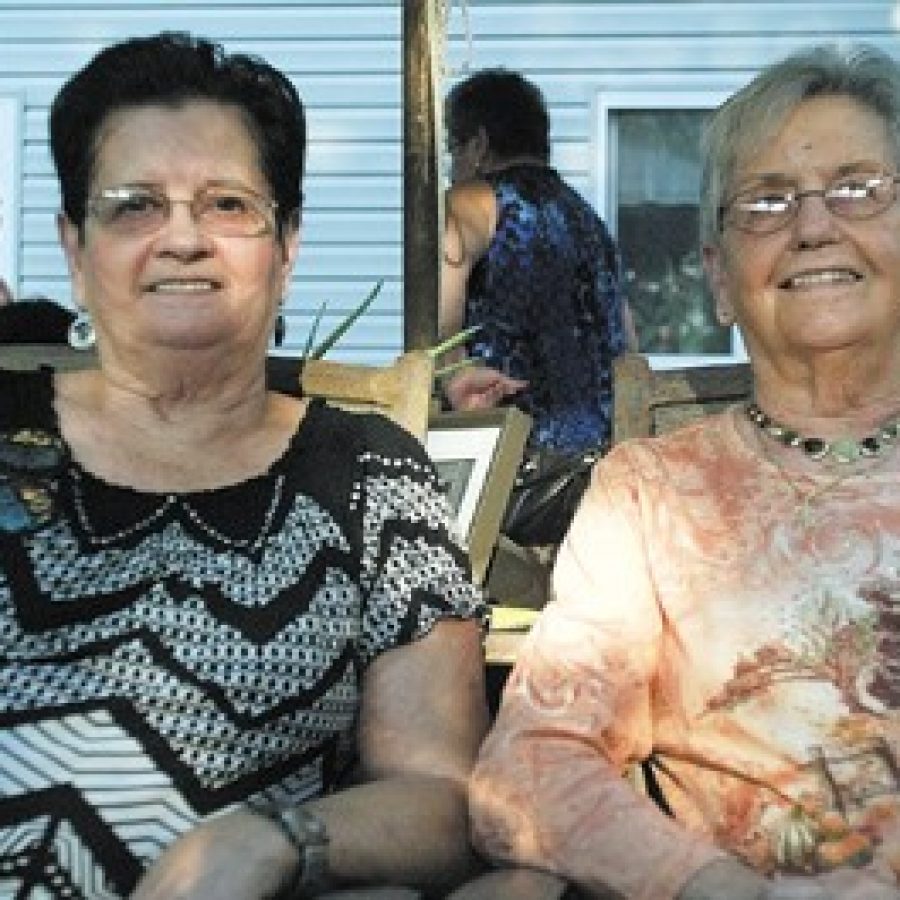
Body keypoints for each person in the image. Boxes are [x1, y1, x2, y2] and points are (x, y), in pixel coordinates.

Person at [0, 32, 489, 900]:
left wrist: (274, 839)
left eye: (227, 205)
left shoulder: (370, 479)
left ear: (288, 245)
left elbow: (444, 801)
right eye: (134, 206)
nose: (182, 238)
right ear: (76, 251)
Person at [468, 43, 900, 900]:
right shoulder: (649, 497)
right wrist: (718, 888)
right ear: (717, 279)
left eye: (859, 188)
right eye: (767, 201)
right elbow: (529, 764)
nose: (814, 226)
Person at [440, 68, 634, 455]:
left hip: (514, 457)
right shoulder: (588, 221)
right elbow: (628, 341)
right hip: (603, 456)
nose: (451, 166)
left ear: (478, 145)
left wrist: (454, 377)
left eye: (453, 149)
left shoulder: (471, 201)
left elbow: (440, 325)